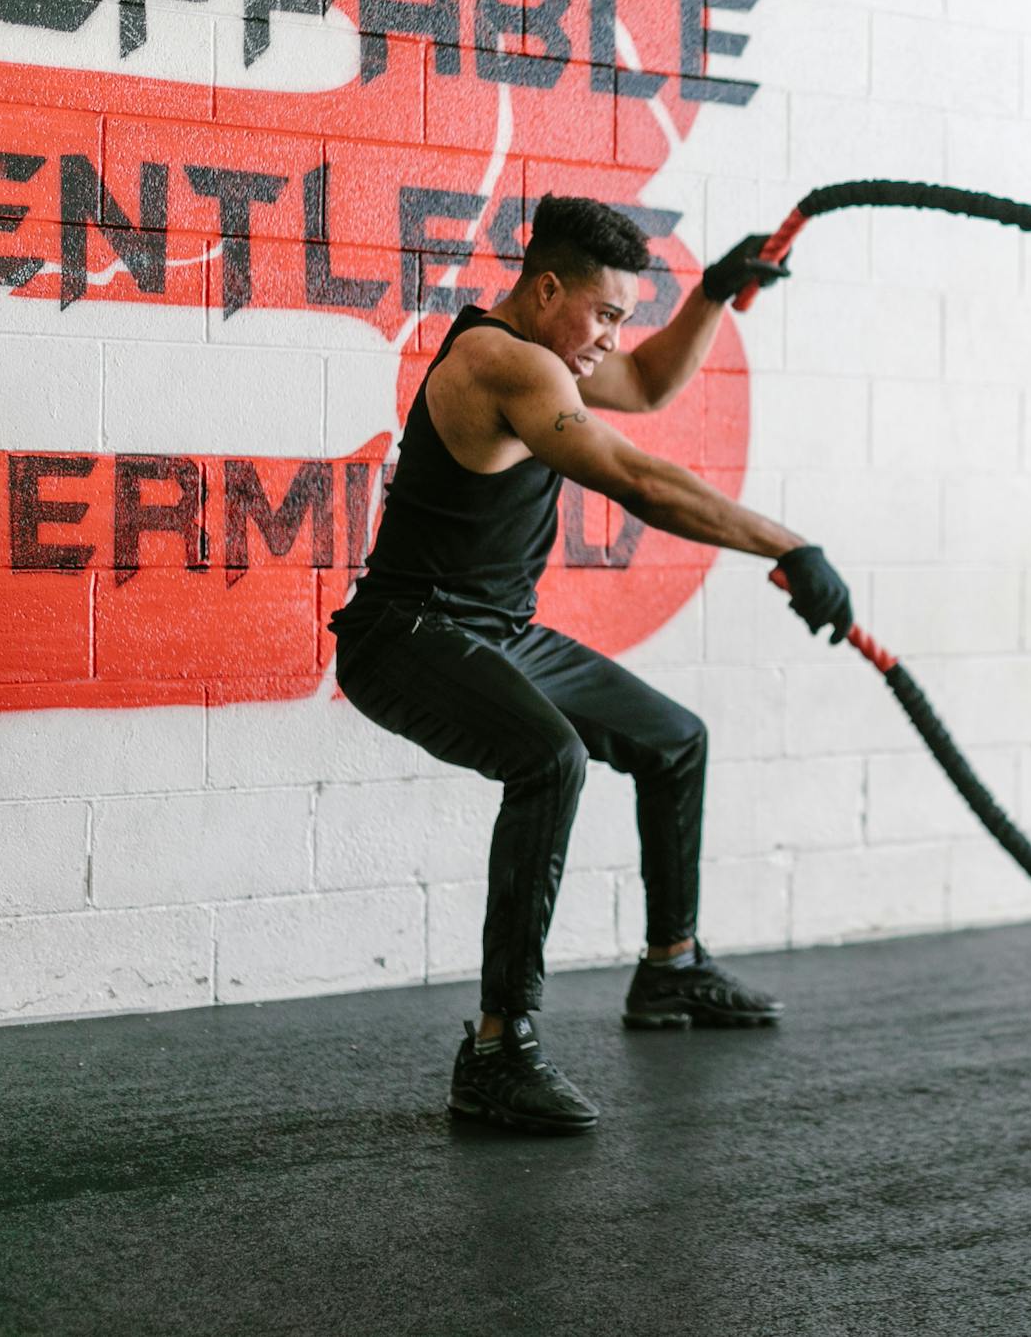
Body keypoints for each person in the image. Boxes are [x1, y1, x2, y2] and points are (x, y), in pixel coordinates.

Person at [326, 196, 854, 1136]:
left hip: (494, 630)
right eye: (604, 313)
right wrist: (790, 544)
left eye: (623, 317)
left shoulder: (552, 361)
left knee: (673, 740)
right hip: (406, 636)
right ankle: (495, 1051)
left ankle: (671, 968)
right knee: (549, 758)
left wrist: (715, 298)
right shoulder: (501, 362)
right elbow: (642, 480)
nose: (614, 336)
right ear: (547, 288)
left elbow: (649, 385)